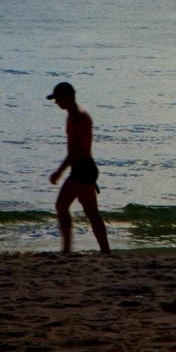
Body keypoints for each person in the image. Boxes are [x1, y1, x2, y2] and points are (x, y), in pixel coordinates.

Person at [47, 82, 111, 254]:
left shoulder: (79, 117)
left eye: (58, 98)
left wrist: (59, 172)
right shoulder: (72, 115)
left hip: (83, 168)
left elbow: (78, 151)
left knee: (63, 205)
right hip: (81, 168)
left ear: (67, 97)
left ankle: (68, 249)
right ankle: (104, 251)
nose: (56, 103)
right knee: (90, 212)